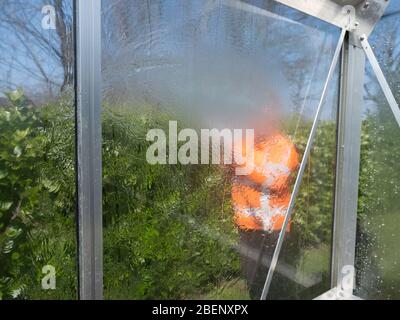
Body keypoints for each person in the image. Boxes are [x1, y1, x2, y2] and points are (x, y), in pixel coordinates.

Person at [231, 107, 299, 299]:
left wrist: (242, 163)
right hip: (247, 225)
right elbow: (228, 166)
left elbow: (276, 180)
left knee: (275, 282)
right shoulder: (242, 142)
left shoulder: (285, 147)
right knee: (253, 283)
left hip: (274, 227)